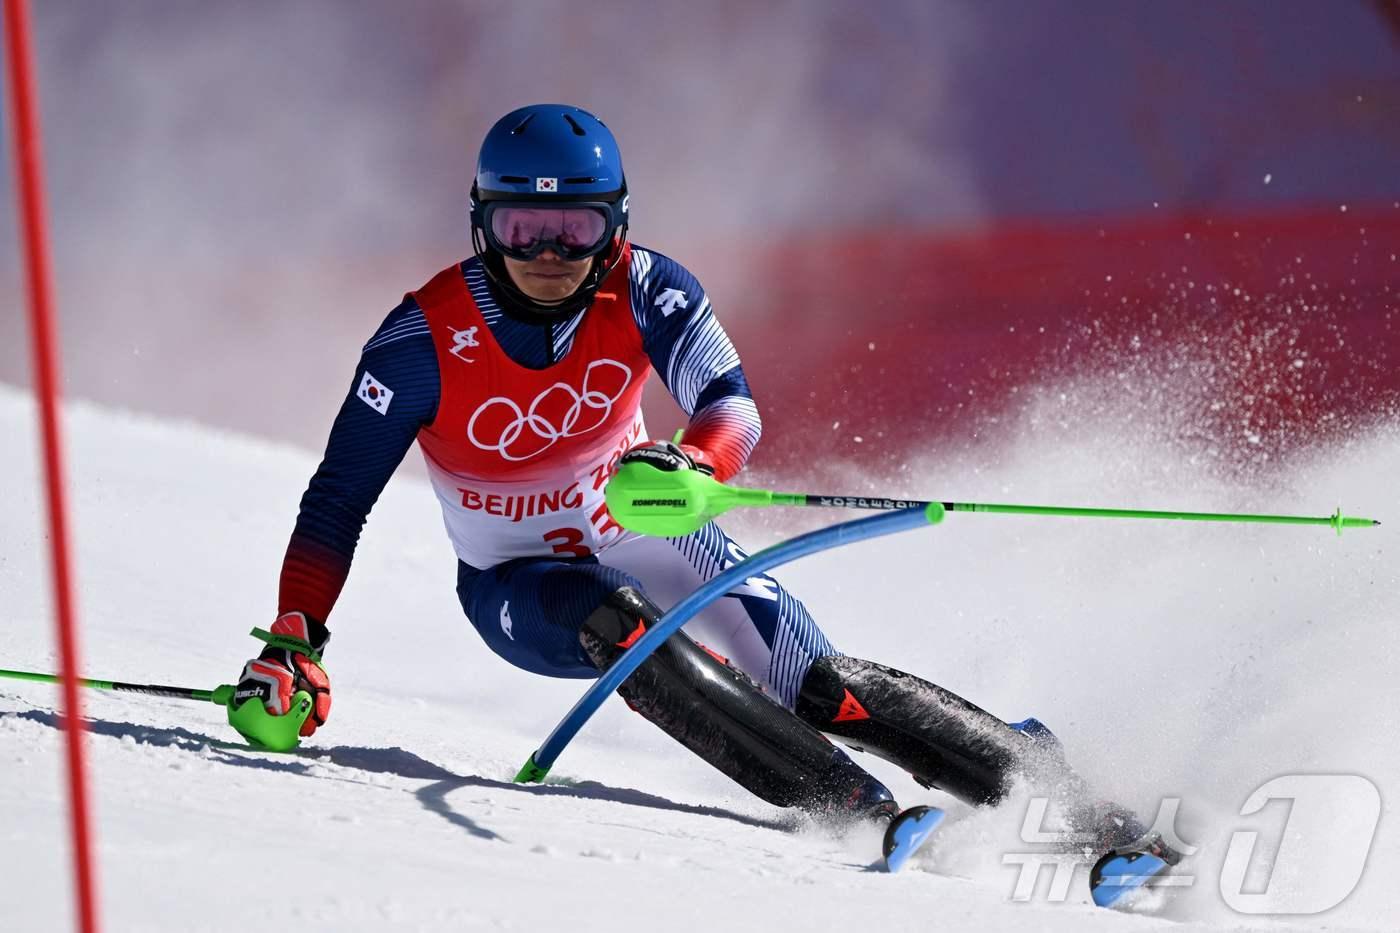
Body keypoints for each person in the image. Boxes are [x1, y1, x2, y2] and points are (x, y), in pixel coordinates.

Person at [232, 104, 1158, 846]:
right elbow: (337, 499)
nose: (549, 257)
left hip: (649, 523)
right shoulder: (418, 340)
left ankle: (1055, 792)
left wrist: (693, 462)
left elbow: (732, 401)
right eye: (522, 229)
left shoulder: (648, 287)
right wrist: (294, 638)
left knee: (817, 685)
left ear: (616, 225)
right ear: (483, 226)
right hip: (516, 581)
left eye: (575, 229)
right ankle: (852, 805)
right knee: (619, 624)